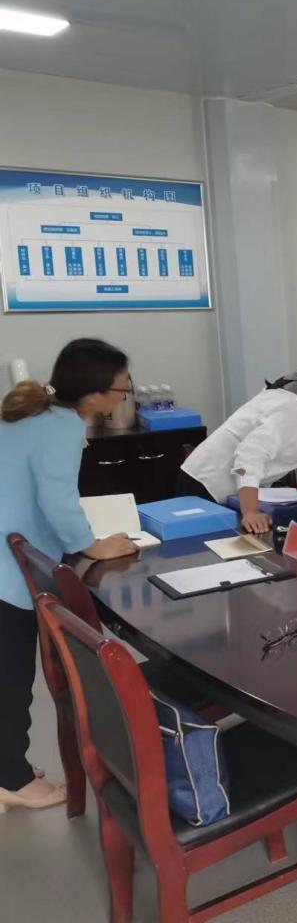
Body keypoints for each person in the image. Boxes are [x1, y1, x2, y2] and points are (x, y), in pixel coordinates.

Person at [0, 339, 140, 813]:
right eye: (122, 388)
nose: (124, 395)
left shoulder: (34, 412)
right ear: (95, 392)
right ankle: (12, 780)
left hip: (7, 553)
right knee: (11, 677)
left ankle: (6, 770)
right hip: (6, 571)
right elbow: (57, 500)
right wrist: (91, 545)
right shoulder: (60, 426)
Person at [178, 367, 297, 534]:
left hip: (237, 490)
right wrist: (250, 512)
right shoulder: (291, 411)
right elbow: (248, 459)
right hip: (206, 485)